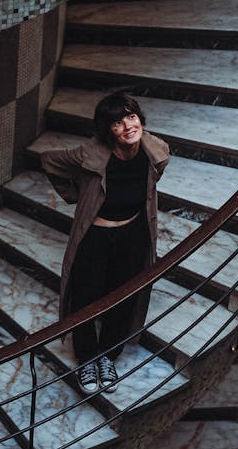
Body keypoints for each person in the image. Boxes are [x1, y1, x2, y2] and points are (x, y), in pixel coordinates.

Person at [40, 91, 170, 394]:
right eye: (117, 123)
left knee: (123, 296)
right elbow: (50, 162)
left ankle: (108, 356)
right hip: (96, 237)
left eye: (131, 117)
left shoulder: (155, 150)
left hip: (134, 234)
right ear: (107, 130)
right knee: (86, 297)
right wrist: (76, 195)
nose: (127, 126)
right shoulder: (90, 154)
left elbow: (155, 175)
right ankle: (86, 358)